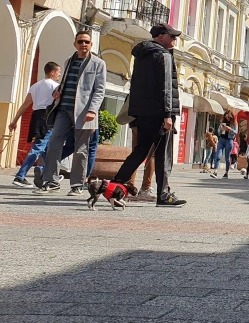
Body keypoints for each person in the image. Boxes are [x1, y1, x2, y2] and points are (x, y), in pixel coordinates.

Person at [111, 23, 186, 207]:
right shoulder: (163, 55)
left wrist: (137, 112)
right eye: (172, 36)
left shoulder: (141, 55)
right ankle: (164, 195)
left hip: (143, 113)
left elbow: (136, 85)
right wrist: (168, 115)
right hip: (160, 114)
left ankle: (114, 186)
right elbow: (166, 87)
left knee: (139, 152)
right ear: (161, 37)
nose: (175, 39)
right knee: (163, 156)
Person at [34, 32, 106, 196]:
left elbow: (100, 91)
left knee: (81, 149)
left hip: (84, 112)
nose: (83, 44)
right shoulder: (68, 62)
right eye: (80, 41)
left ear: (91, 44)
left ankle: (77, 185)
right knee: (54, 144)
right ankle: (51, 182)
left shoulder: (98, 64)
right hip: (63, 110)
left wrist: (93, 110)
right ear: (75, 44)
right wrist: (58, 91)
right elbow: (66, 83)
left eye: (87, 42)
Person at [9, 62, 61, 187]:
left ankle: (44, 173)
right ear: (52, 72)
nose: (60, 74)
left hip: (36, 116)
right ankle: (20, 176)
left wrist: (14, 120)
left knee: (46, 148)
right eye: (58, 72)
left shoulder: (35, 86)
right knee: (39, 147)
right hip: (48, 116)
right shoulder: (56, 86)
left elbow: (25, 105)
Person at [215, 110, 238, 178]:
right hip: (222, 140)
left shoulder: (234, 123)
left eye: (229, 117)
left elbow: (236, 132)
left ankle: (226, 172)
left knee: (227, 158)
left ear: (231, 117)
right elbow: (218, 132)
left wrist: (230, 129)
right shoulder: (222, 123)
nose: (228, 118)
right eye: (226, 116)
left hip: (229, 140)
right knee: (218, 156)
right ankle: (215, 171)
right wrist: (222, 130)